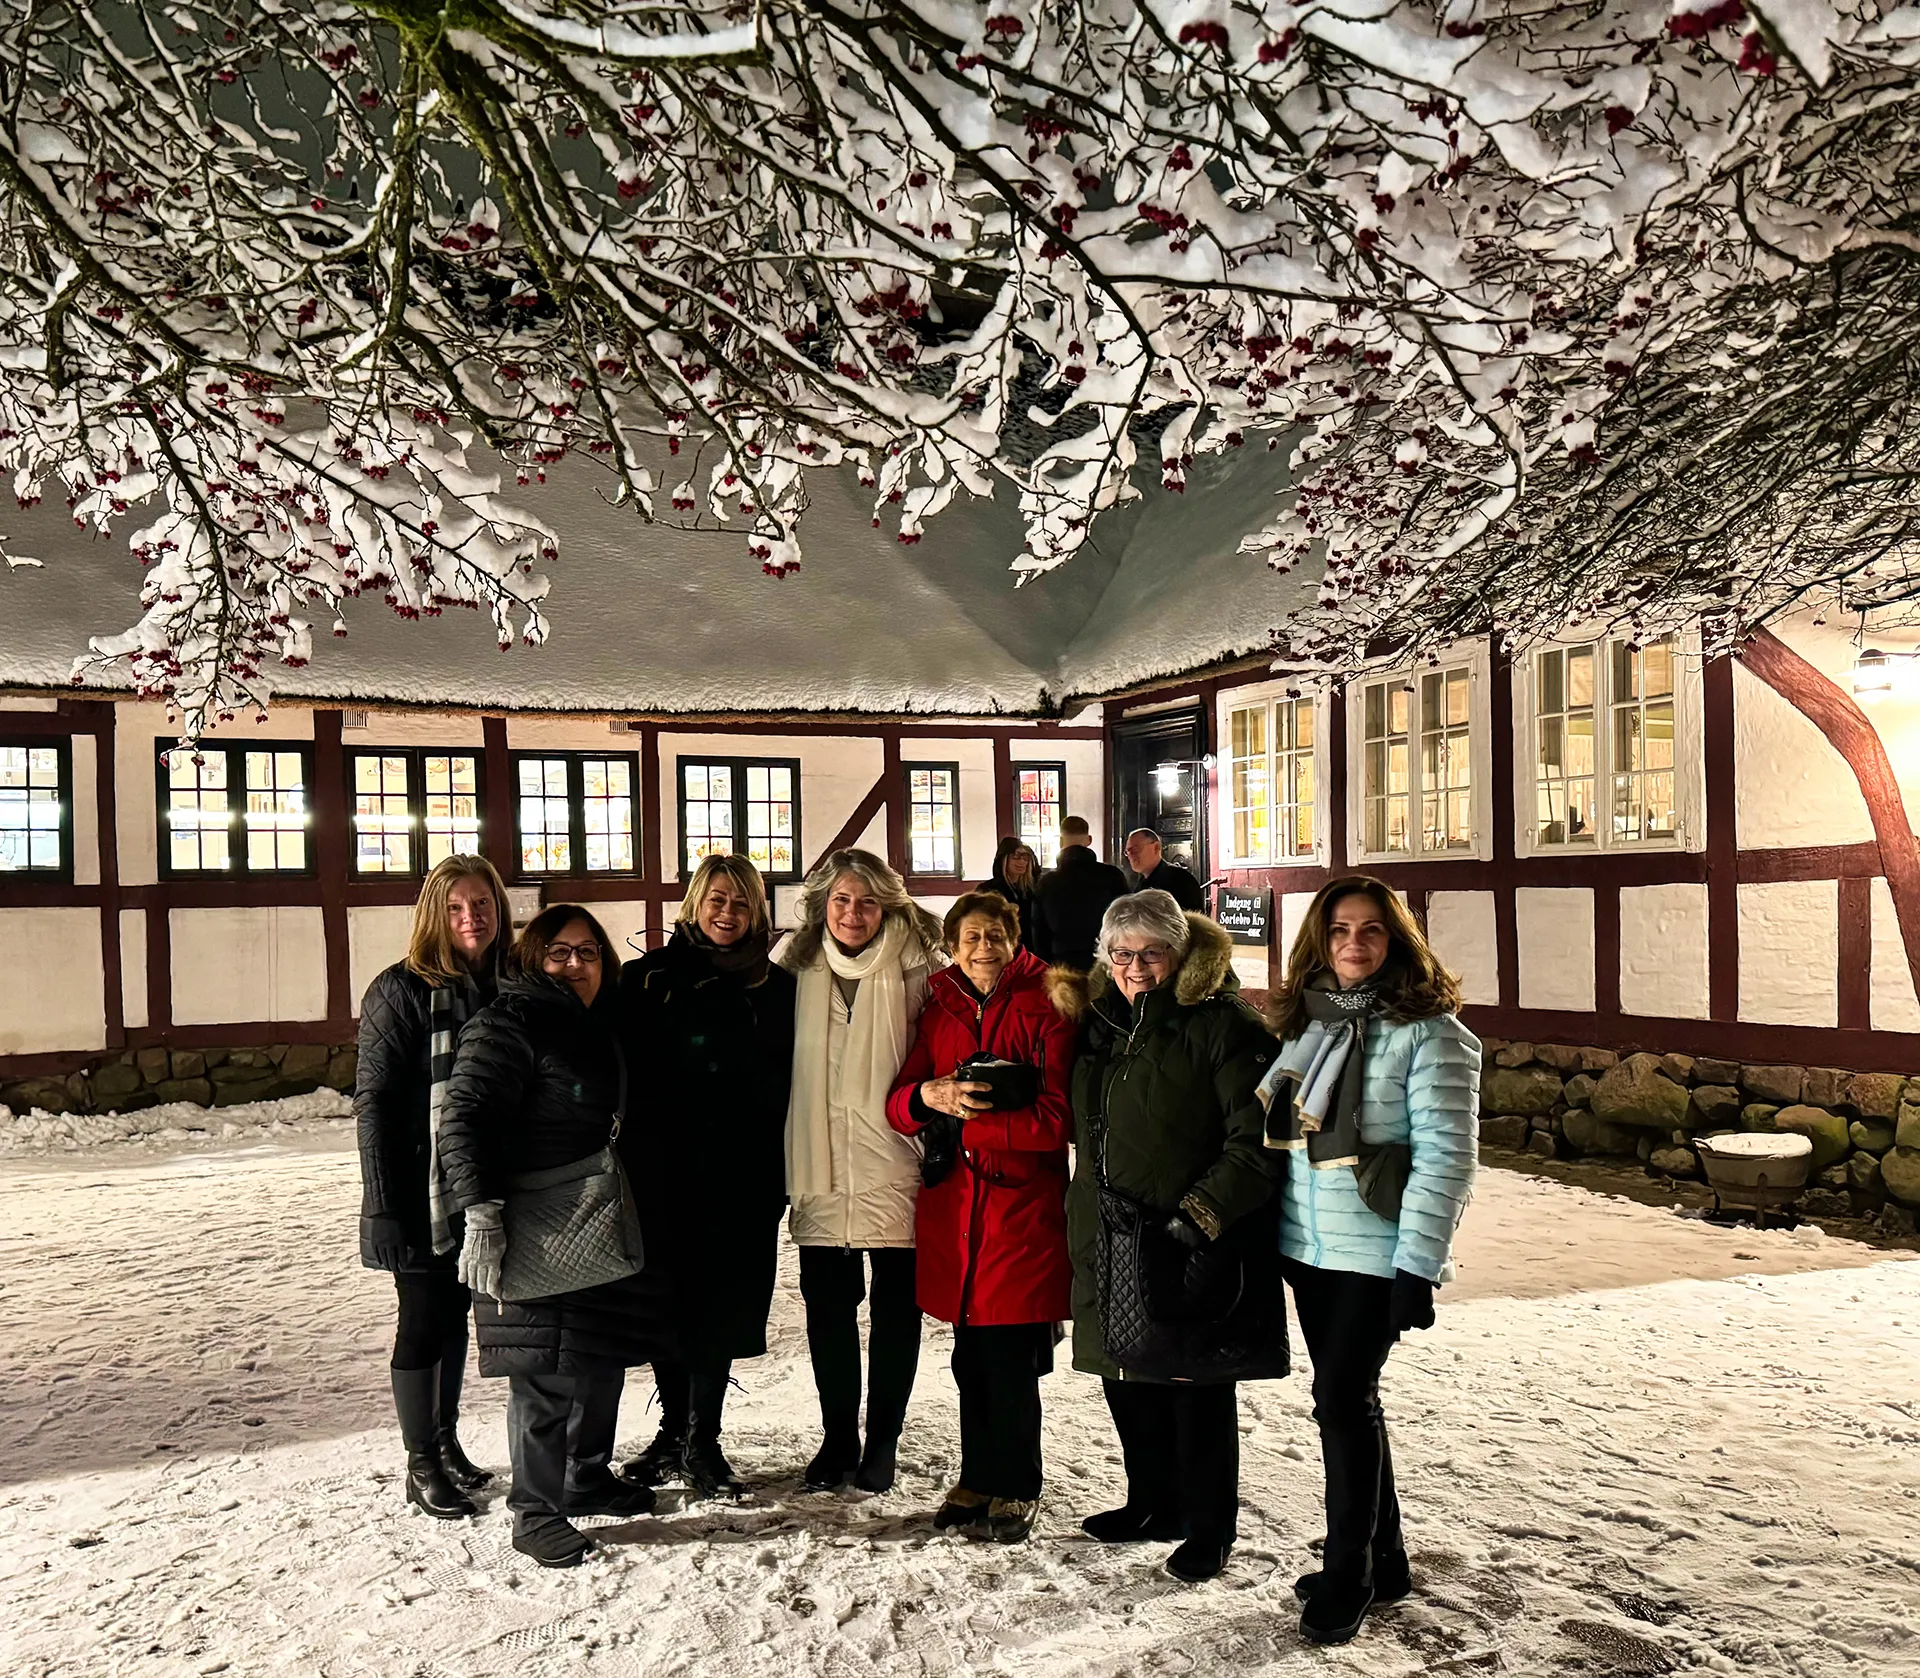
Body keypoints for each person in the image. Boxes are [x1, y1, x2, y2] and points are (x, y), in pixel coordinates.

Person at [1264, 876, 1480, 1645]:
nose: (1354, 943)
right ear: (1320, 941)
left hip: (1375, 1254)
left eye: (1371, 931)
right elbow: (1287, 1143)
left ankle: (1348, 1568)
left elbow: (1447, 1158)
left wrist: (1418, 1266)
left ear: (1397, 941)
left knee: (1342, 1403)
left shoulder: (1431, 1033)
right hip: (1308, 1248)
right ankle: (1386, 1559)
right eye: (1340, 930)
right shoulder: (1310, 1022)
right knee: (1349, 1400)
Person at [1051, 889, 1286, 1584]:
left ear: (1181, 954)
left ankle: (1209, 1526)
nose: (1136, 966)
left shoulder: (1226, 1026)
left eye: (1152, 952)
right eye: (1121, 953)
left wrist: (1201, 1214)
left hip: (1186, 1236)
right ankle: (1151, 1503)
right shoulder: (1100, 1023)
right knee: (1126, 1373)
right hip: (1111, 1229)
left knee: (1193, 1384)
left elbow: (1260, 1139)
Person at [440, 904, 675, 1568]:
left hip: (598, 1216)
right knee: (542, 1374)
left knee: (598, 1359)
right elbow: (464, 1122)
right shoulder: (506, 1025)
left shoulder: (604, 1025)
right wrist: (480, 1216)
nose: (576, 965)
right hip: (533, 1222)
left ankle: (585, 1474)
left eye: (589, 953)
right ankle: (535, 1510)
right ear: (530, 960)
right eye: (560, 953)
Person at [885, 891, 1075, 1543]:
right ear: (952, 944)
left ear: (1014, 938)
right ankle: (976, 1476)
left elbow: (1058, 1119)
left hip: (1019, 1210)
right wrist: (927, 1095)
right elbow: (900, 1103)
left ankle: (1018, 1484)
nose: (982, 947)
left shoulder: (1047, 1001)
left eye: (994, 935)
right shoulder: (938, 1007)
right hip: (956, 1208)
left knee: (1012, 1359)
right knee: (971, 1356)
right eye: (970, 937)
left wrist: (977, 1133)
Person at [617, 855, 796, 1496]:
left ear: (758, 914)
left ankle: (703, 1438)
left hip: (744, 1179)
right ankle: (673, 1431)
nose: (728, 912)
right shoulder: (646, 981)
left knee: (720, 1311)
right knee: (667, 1308)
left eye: (741, 903)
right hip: (663, 1176)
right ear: (694, 905)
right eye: (716, 899)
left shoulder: (779, 990)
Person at [780, 847, 943, 1492]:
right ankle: (838, 1436)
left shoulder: (918, 971)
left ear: (889, 906)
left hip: (894, 1162)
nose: (853, 913)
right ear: (823, 904)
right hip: (819, 1164)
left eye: (867, 901)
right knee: (827, 1313)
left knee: (896, 1315)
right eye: (841, 900)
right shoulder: (795, 969)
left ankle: (883, 1442)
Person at [354, 854, 512, 1522]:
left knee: (454, 1323)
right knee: (423, 1320)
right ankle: (421, 1464)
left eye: (479, 905)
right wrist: (384, 1205)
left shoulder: (511, 984)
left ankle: (445, 1445)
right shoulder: (400, 991)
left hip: (485, 1186)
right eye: (454, 908)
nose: (469, 919)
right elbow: (377, 1103)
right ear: (433, 915)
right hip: (421, 1194)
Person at [1031, 815, 1127, 970]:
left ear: (1061, 842)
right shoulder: (1112, 876)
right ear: (1089, 840)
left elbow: (1039, 932)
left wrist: (1047, 967)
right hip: (1105, 962)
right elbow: (1124, 921)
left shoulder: (1046, 882)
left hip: (1062, 964)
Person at [979, 837, 1043, 953]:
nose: (1021, 862)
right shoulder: (988, 890)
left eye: (1025, 858)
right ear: (1004, 859)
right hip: (1001, 950)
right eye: (1016, 857)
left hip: (1031, 952)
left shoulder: (1034, 890)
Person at [1123, 827, 1205, 912]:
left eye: (1136, 849)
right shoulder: (1137, 883)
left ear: (1156, 847)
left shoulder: (1180, 880)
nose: (1131, 855)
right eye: (1127, 851)